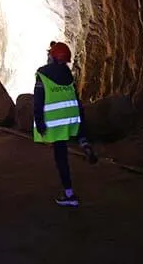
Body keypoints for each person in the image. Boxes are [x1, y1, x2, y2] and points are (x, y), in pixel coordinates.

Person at [33, 40, 97, 206]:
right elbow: (76, 98)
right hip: (72, 116)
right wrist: (81, 120)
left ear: (52, 57)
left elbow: (38, 101)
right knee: (78, 132)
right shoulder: (68, 74)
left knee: (61, 157)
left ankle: (69, 194)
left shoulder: (42, 73)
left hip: (56, 121)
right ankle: (84, 142)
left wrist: (40, 123)